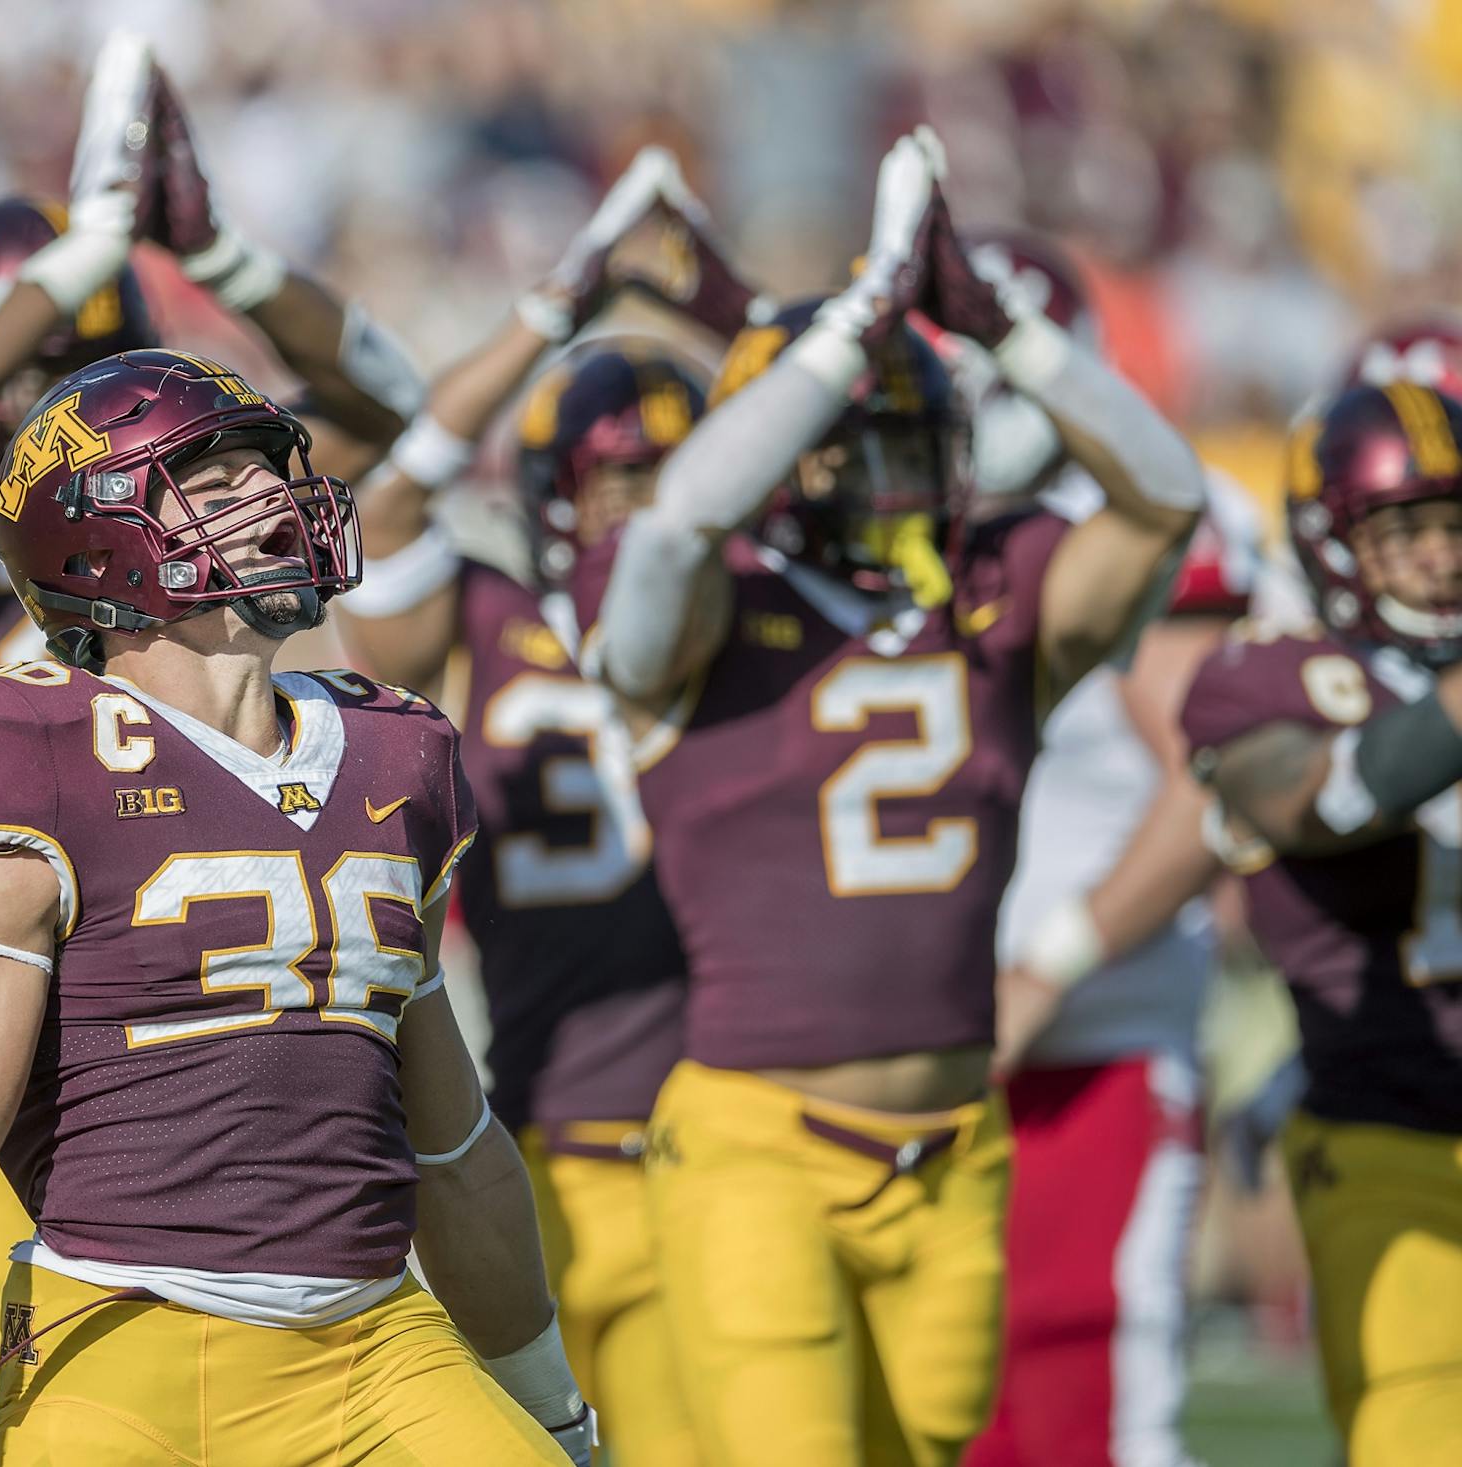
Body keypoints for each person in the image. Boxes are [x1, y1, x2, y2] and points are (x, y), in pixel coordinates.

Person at [0, 36, 422, 1452]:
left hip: (215, 959)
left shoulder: (178, 499)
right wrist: (73, 260)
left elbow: (390, 415)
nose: (56, 394)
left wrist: (221, 256)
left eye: (85, 357)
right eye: (28, 355)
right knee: (4, 1383)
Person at [0, 350, 594, 1467]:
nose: (272, 502)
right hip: (121, 1345)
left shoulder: (393, 748)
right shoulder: (22, 751)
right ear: (100, 537)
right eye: (218, 482)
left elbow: (452, 1141)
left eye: (268, 474)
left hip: (376, 1345)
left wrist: (555, 1411)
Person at [582, 131, 1204, 1466]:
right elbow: (684, 519)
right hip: (757, 1146)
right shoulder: (699, 609)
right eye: (866, 445)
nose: (902, 475)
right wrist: (854, 323)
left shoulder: (993, 589)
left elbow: (1167, 499)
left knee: (926, 1444)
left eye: (918, 440)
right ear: (790, 451)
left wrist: (1008, 336)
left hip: (957, 1145)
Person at [338, 144, 750, 1467]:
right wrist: (555, 307)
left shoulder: (755, 618)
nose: (646, 514)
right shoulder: (485, 616)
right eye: (621, 479)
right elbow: (391, 498)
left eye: (674, 485)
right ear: (560, 485)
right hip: (559, 1127)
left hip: (735, 1123)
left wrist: (721, 311)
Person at [949, 232, 1262, 1467]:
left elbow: (1211, 779)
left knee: (1096, 1413)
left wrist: (1047, 967)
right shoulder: (898, 516)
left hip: (1093, 1032)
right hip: (907, 1046)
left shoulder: (1134, 519)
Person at [1179, 381, 1462, 1467]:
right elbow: (1322, 801)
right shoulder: (1276, 674)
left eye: (1453, 525)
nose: (1440, 557)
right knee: (1419, 1433)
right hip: (1391, 1126)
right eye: (1405, 531)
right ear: (1334, 542)